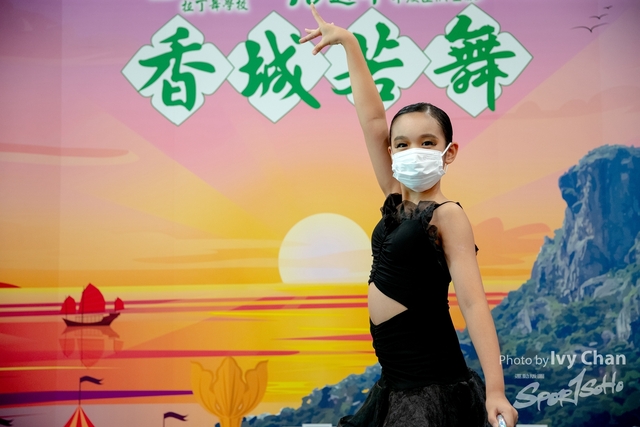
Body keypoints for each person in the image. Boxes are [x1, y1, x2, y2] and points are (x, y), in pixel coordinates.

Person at [299, 5, 519, 427]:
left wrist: (495, 390)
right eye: (402, 144)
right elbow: (373, 120)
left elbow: (473, 303)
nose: (412, 151)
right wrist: (349, 43)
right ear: (392, 151)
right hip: (394, 380)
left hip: (430, 381)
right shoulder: (396, 198)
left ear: (448, 152)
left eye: (427, 142)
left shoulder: (447, 215)